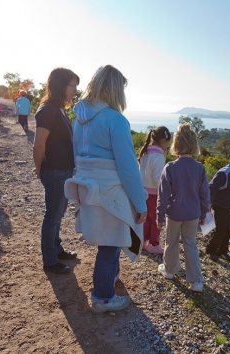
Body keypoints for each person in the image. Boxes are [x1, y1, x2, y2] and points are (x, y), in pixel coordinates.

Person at [64, 65, 148, 314]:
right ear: (114, 89)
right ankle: (102, 297)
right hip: (111, 190)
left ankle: (108, 281)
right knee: (110, 244)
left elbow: (76, 157)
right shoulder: (116, 119)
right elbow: (128, 168)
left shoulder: (78, 119)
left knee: (106, 242)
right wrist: (141, 205)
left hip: (88, 188)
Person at [33, 68, 80, 274]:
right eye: (73, 86)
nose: (75, 90)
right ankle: (50, 260)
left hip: (64, 170)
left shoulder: (59, 109)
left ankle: (57, 248)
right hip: (55, 171)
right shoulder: (48, 110)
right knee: (52, 215)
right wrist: (38, 168)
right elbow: (38, 144)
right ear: (61, 85)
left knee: (58, 213)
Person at [156, 123, 210, 293]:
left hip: (173, 214)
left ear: (176, 145)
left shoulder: (170, 167)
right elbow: (204, 195)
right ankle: (196, 281)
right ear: (194, 145)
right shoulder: (200, 168)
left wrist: (159, 217)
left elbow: (163, 195)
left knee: (171, 242)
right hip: (193, 214)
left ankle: (170, 271)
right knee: (190, 244)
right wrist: (203, 213)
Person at [138, 126, 171, 254]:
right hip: (154, 193)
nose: (168, 146)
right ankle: (154, 244)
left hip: (143, 191)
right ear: (163, 140)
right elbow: (158, 179)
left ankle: (143, 241)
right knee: (157, 219)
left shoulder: (145, 153)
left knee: (145, 218)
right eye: (168, 142)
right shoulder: (159, 156)